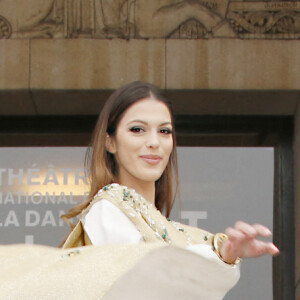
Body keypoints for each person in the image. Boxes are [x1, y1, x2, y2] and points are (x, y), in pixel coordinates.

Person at [59, 81, 279, 298]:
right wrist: (220, 256)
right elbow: (150, 284)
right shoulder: (107, 209)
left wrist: (226, 254)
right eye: (137, 129)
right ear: (110, 142)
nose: (154, 141)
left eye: (164, 131)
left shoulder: (169, 230)